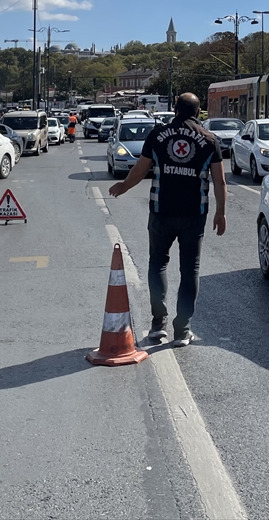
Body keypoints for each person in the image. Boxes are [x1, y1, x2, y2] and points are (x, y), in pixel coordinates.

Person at [108, 92, 226, 347]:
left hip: (161, 211)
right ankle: (182, 330)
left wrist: (124, 186)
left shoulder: (158, 135)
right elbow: (219, 180)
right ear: (198, 112)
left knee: (158, 264)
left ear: (175, 109)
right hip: (194, 214)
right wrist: (221, 212)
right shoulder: (210, 140)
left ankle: (158, 324)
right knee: (190, 269)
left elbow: (141, 169)